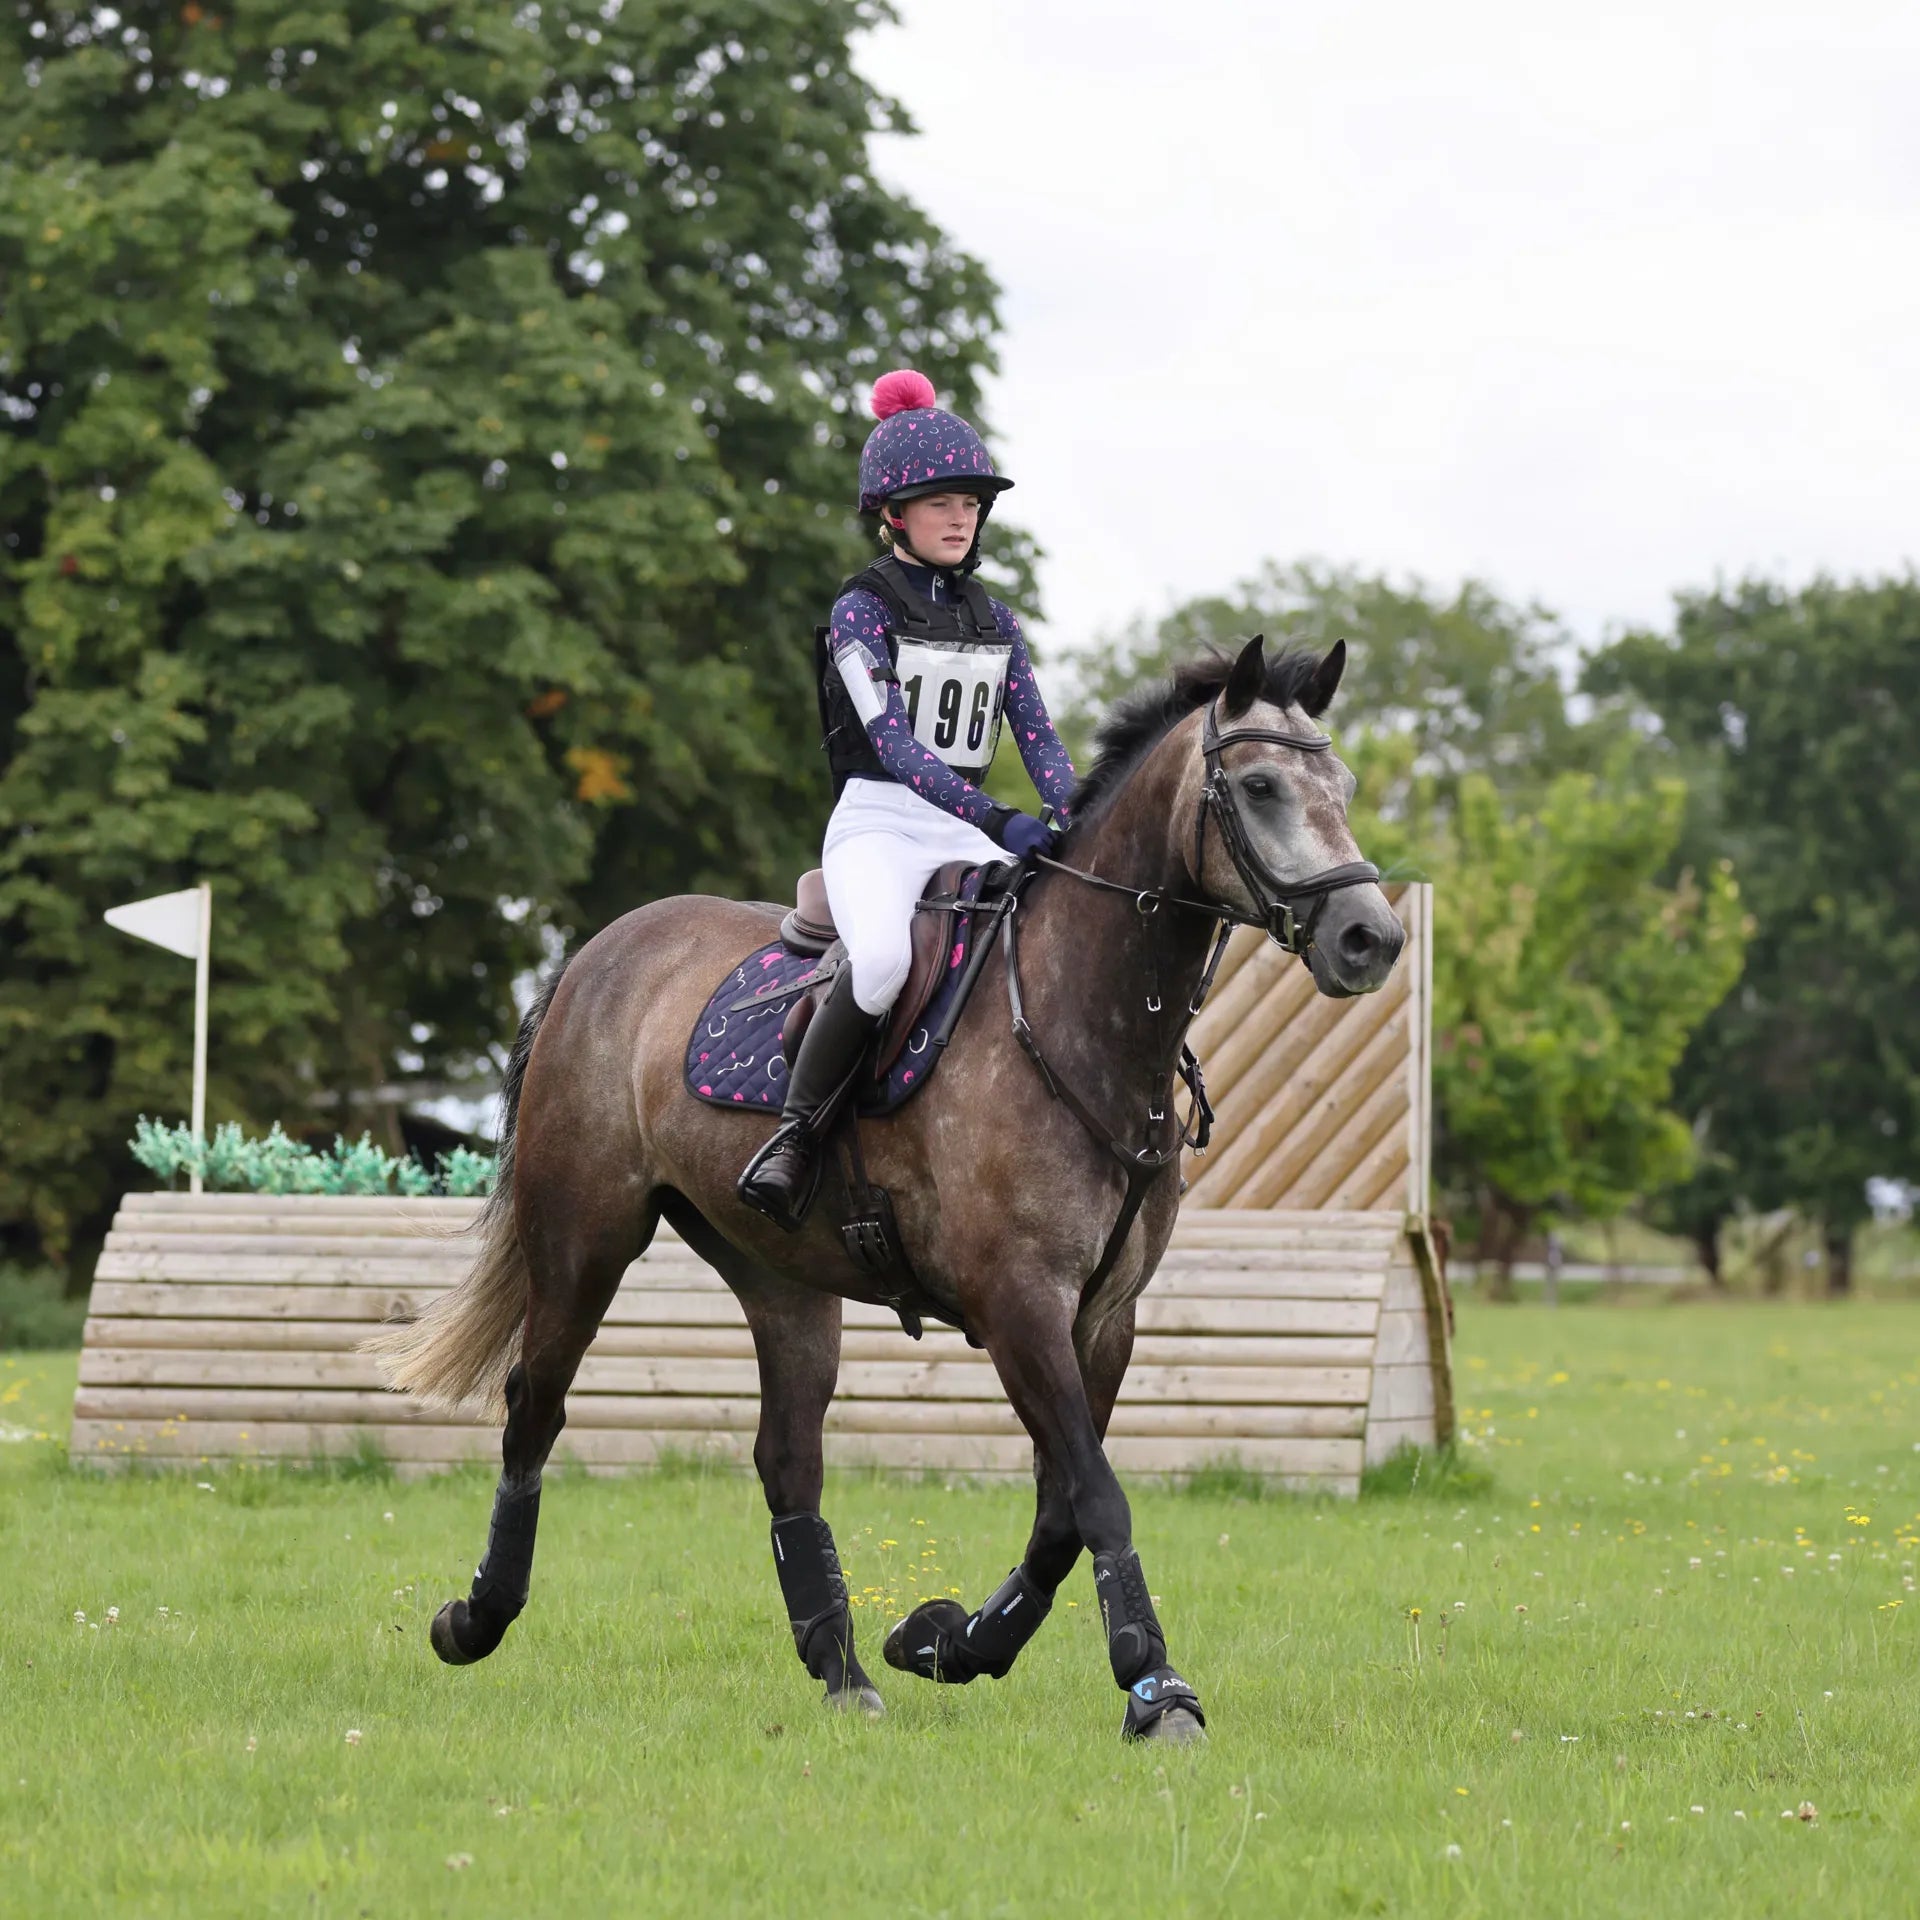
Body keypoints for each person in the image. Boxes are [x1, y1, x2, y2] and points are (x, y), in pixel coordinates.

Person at [737, 369, 1077, 1228]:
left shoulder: (995, 620)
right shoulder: (861, 608)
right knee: (884, 961)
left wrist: (1074, 814)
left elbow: (1037, 738)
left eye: (970, 502)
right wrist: (998, 818)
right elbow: (894, 744)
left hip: (962, 827)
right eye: (939, 502)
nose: (960, 516)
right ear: (893, 512)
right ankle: (795, 1135)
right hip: (881, 824)